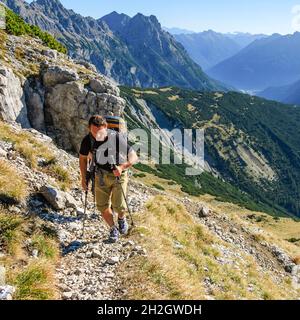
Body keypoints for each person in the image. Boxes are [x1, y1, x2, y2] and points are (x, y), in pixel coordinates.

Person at [79, 115, 138, 243]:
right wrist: (84, 179)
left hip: (119, 174)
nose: (97, 135)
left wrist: (122, 167)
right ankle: (113, 228)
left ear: (106, 127)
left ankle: (121, 219)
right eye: (94, 132)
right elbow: (83, 159)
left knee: (119, 206)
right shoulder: (87, 140)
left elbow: (133, 156)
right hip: (100, 175)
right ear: (89, 129)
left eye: (100, 131)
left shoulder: (115, 137)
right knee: (102, 206)